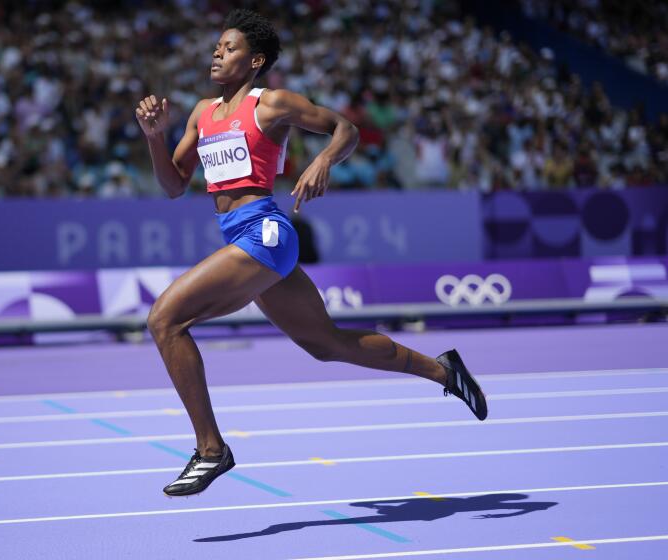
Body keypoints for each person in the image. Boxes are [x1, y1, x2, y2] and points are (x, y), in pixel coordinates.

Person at [135, 9, 487, 498]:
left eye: (229, 47)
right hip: (239, 238)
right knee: (326, 344)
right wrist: (155, 137)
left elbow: (345, 128)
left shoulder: (272, 104)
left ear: (254, 60)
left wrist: (322, 160)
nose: (217, 52)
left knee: (164, 319)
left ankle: (211, 449)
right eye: (216, 45)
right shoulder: (200, 113)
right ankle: (443, 370)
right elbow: (174, 185)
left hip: (266, 233)